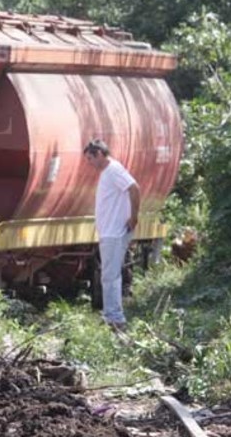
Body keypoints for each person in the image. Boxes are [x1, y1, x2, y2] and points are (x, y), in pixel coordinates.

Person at [83, 139, 140, 330]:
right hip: (109, 232)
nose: (89, 164)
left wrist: (133, 217)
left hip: (114, 233)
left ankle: (115, 318)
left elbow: (134, 188)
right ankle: (111, 316)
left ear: (99, 154)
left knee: (110, 276)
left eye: (90, 158)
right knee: (109, 275)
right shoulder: (108, 172)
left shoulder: (114, 170)